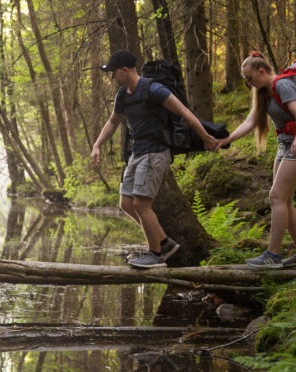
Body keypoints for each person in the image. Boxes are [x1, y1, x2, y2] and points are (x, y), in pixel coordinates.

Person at [91, 50, 218, 269]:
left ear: (125, 70)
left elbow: (185, 113)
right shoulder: (123, 95)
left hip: (156, 151)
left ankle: (156, 254)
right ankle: (164, 243)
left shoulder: (153, 89)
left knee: (141, 203)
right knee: (126, 203)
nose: (112, 77)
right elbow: (113, 122)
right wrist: (97, 145)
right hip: (137, 152)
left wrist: (205, 137)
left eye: (113, 72)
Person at [215, 51, 296, 269]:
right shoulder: (264, 93)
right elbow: (250, 122)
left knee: (276, 197)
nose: (249, 83)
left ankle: (273, 255)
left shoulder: (282, 85)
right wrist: (227, 139)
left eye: (250, 78)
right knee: (284, 201)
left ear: (262, 71)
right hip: (284, 145)